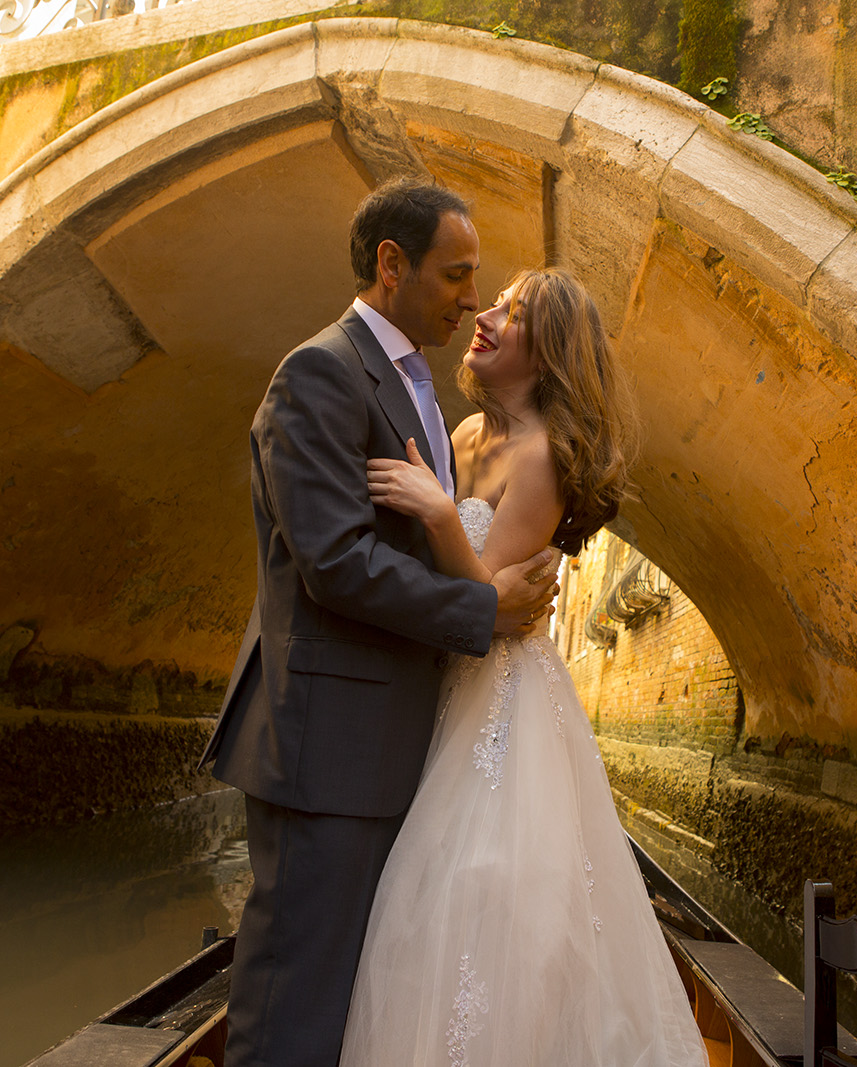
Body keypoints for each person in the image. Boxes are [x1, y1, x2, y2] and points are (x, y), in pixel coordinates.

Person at [197, 178, 562, 1067]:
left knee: (343, 1004)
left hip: (383, 749)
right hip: (327, 750)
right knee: (291, 1011)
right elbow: (334, 564)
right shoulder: (321, 371)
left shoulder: (418, 386)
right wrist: (486, 605)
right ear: (391, 266)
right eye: (456, 274)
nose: (472, 297)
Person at [341, 268, 710, 1066]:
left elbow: (485, 605)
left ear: (547, 356)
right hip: (433, 682)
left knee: (484, 883)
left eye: (513, 312)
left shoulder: (541, 456)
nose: (486, 314)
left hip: (498, 691)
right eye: (496, 300)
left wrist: (439, 511)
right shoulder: (456, 434)